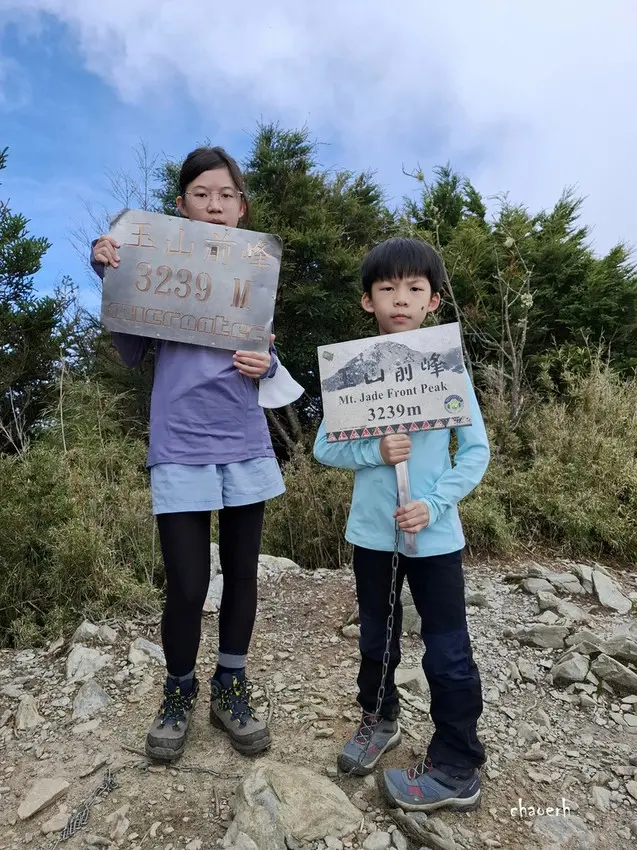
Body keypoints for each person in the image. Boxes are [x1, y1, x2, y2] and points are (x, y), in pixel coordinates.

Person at [91, 146, 285, 761]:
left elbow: (267, 356)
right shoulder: (158, 265)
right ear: (181, 206)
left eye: (226, 195)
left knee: (243, 573)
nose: (215, 205)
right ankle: (178, 690)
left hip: (244, 439)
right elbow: (130, 349)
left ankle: (230, 684)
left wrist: (267, 362)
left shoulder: (254, 271)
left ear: (241, 207)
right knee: (187, 582)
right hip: (178, 443)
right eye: (202, 194)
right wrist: (111, 273)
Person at [313, 237, 490, 812]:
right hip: (372, 535)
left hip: (435, 538)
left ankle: (458, 762)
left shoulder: (448, 369)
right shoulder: (352, 373)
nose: (401, 299)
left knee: (447, 650)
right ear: (368, 300)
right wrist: (375, 450)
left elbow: (475, 453)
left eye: (415, 288)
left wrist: (434, 505)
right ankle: (379, 718)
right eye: (387, 288)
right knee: (375, 637)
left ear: (433, 301)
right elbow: (324, 447)